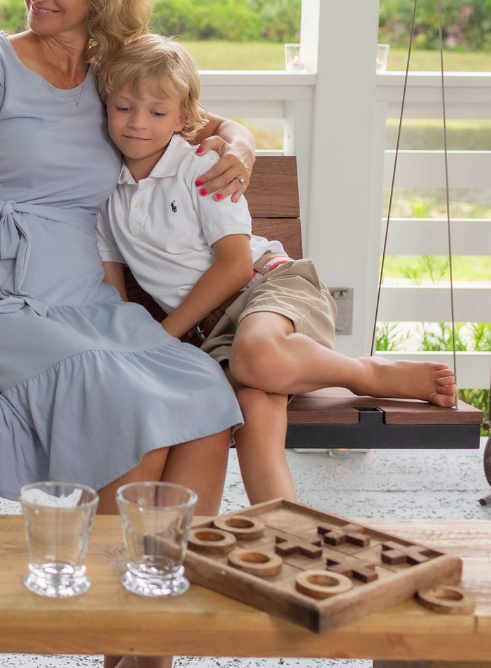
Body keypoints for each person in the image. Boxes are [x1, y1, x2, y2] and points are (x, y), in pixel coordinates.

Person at [0, 0, 249, 668]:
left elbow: (204, 121)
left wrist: (238, 142)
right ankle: (130, 657)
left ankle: (144, 662)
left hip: (84, 294)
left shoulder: (119, 69)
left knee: (207, 401)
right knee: (125, 400)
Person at [95, 33, 458, 505]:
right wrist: (129, 347)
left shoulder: (202, 168)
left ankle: (367, 373)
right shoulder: (104, 194)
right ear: (105, 107)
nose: (137, 123)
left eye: (156, 112)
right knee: (252, 399)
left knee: (257, 357)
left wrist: (163, 336)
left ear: (184, 119)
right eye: (123, 108)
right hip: (217, 332)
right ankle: (283, 527)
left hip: (271, 285)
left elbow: (235, 266)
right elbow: (111, 285)